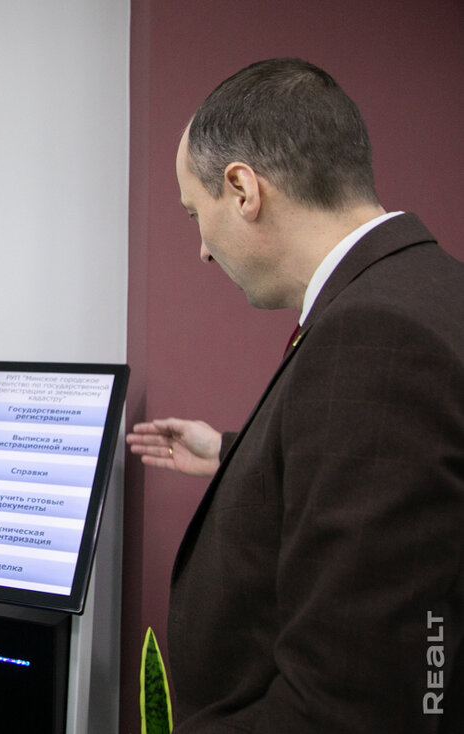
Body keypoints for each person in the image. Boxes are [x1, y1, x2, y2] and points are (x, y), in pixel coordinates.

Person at [126, 58, 463, 732]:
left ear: (242, 189)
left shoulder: (376, 335)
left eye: (196, 214)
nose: (203, 250)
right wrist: (233, 453)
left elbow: (351, 702)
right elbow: (385, 475)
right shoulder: (429, 290)